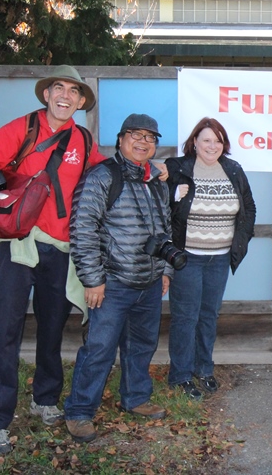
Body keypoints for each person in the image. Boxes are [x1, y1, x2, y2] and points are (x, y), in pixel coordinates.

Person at [0, 65, 106, 455]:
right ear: (46, 94)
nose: (66, 96)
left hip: (59, 248)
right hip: (16, 245)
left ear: (80, 102)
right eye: (59, 87)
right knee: (3, 334)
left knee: (53, 329)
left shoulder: (83, 140)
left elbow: (108, 172)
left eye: (74, 92)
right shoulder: (21, 130)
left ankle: (45, 399)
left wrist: (147, 171)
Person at [64, 113, 175, 443]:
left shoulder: (155, 181)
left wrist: (165, 270)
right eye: (136, 135)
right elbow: (82, 230)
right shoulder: (101, 177)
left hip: (150, 283)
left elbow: (165, 229)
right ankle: (80, 410)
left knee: (142, 345)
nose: (143, 142)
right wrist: (92, 279)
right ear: (121, 139)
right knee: (99, 348)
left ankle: (136, 397)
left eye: (150, 138)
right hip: (112, 283)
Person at [165, 117, 256, 399]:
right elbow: (153, 199)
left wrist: (240, 241)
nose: (212, 145)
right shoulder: (177, 168)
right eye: (206, 140)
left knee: (208, 316)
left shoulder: (233, 169)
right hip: (187, 257)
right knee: (185, 317)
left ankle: (203, 368)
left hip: (219, 258)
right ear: (194, 142)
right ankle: (180, 375)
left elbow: (249, 208)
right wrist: (171, 194)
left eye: (217, 140)